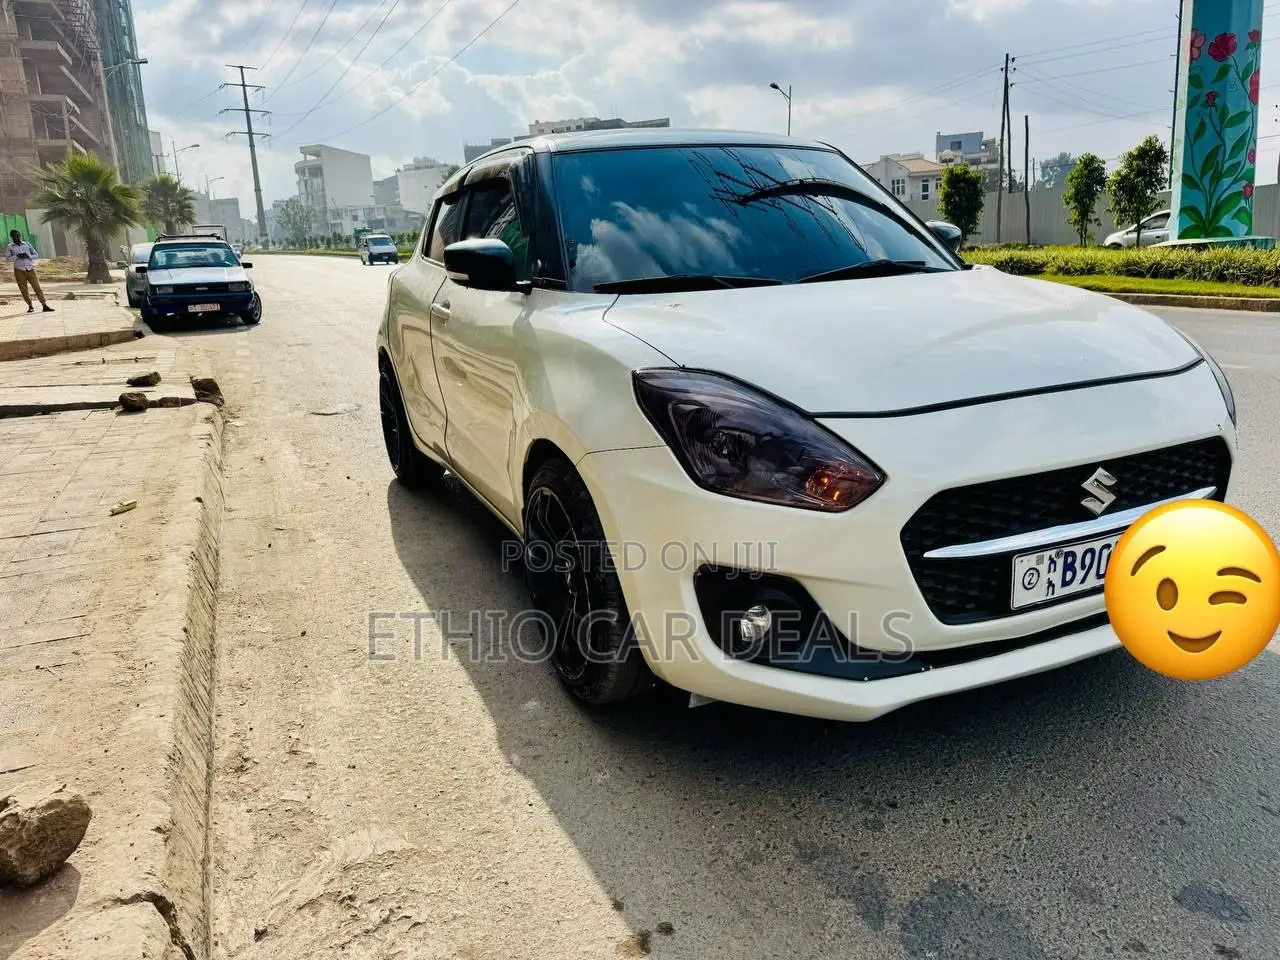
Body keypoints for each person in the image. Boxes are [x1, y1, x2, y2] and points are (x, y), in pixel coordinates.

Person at [6, 230, 54, 313]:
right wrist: (17, 256)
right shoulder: (10, 246)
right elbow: (7, 258)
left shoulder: (27, 244)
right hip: (19, 270)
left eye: (18, 236)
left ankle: (44, 305)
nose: (16, 237)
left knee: (37, 288)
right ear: (11, 237)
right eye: (14, 236)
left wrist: (28, 256)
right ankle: (30, 306)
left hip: (30, 269)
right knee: (24, 289)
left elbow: (36, 255)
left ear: (20, 236)